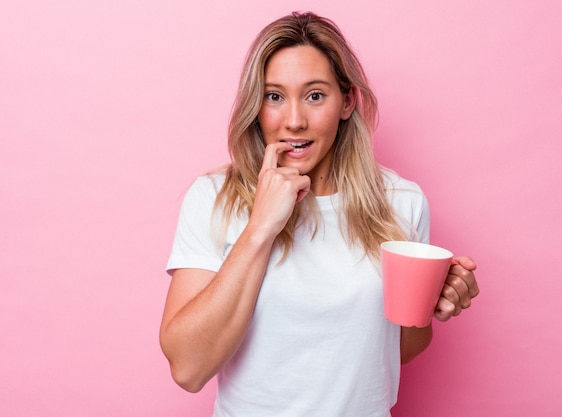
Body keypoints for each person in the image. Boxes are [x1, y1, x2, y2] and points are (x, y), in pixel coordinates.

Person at [160, 11, 479, 417]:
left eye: (314, 95)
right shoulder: (213, 198)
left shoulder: (402, 202)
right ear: (256, 107)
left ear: (346, 102)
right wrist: (260, 227)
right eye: (275, 96)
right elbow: (188, 368)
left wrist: (434, 300)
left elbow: (398, 351)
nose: (294, 120)